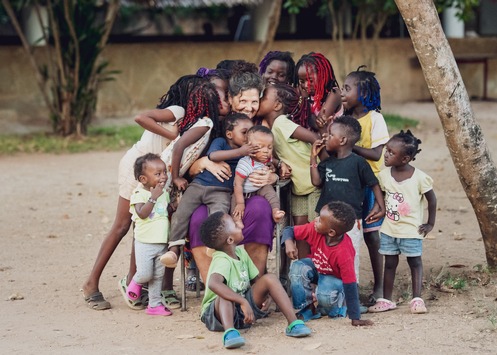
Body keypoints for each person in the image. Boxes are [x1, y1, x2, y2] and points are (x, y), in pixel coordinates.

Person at [81, 74, 204, 310]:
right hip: (137, 168)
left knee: (145, 228)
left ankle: (133, 284)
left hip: (157, 174)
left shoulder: (195, 121)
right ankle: (91, 283)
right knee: (122, 226)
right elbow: (140, 117)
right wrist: (174, 138)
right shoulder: (177, 110)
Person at [187, 64, 276, 284]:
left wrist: (272, 175)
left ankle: (256, 285)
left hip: (247, 195)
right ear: (231, 98)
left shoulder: (263, 127)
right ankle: (216, 289)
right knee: (199, 217)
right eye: (243, 101)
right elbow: (190, 165)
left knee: (261, 209)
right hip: (213, 192)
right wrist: (206, 162)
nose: (249, 107)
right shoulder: (216, 126)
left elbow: (275, 161)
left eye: (254, 101)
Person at [200, 211, 311, 349]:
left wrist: (268, 295)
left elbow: (258, 281)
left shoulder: (241, 253)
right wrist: (242, 301)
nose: (240, 225)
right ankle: (230, 333)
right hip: (218, 314)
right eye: (235, 225)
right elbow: (213, 284)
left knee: (269, 278)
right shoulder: (221, 259)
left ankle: (293, 323)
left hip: (242, 311)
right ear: (229, 240)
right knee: (225, 295)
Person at [160, 113, 256, 268]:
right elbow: (213, 155)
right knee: (181, 213)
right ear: (229, 134)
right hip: (198, 185)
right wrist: (239, 152)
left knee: (219, 217)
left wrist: (274, 164)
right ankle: (174, 250)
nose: (248, 137)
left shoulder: (247, 154)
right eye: (244, 132)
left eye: (251, 133)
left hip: (221, 191)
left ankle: (215, 246)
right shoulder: (221, 142)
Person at [310, 115, 385, 287]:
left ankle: (351, 295)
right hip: (325, 219)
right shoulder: (327, 163)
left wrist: (381, 206)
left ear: (342, 140)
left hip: (351, 222)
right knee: (323, 255)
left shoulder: (359, 163)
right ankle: (327, 294)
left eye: (330, 134)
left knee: (350, 256)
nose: (325, 137)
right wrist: (313, 158)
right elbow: (316, 182)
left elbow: (374, 184)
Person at [368, 130, 436, 314]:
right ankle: (386, 300)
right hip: (389, 230)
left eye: (391, 152)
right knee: (389, 263)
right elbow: (380, 197)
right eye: (387, 150)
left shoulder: (420, 178)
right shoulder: (384, 176)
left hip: (412, 231)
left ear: (405, 158)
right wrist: (377, 210)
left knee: (415, 262)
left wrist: (430, 223)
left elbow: (432, 200)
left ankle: (417, 299)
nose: (386, 154)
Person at [283, 201, 374, 327]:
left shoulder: (344, 252)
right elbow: (289, 231)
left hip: (335, 281)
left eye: (320, 220)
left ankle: (339, 308)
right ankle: (307, 309)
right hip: (320, 270)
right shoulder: (315, 229)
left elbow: (350, 283)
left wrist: (355, 317)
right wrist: (288, 242)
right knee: (298, 267)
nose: (315, 220)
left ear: (331, 232)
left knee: (324, 293)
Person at [258, 83, 323, 259]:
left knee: (316, 232)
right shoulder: (271, 128)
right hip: (299, 188)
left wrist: (325, 166)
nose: (258, 99)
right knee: (301, 233)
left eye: (263, 97)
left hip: (314, 185)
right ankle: (303, 272)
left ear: (277, 105)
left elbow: (315, 138)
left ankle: (317, 275)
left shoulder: (280, 122)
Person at [342, 66, 390, 304]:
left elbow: (376, 153)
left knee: (371, 237)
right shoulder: (344, 117)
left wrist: (350, 146)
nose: (343, 92)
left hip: (370, 186)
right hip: (347, 183)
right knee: (348, 236)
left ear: (363, 93)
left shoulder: (375, 119)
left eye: (347, 88)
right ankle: (349, 286)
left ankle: (379, 287)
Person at [126, 154, 173, 316]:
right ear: (143, 179)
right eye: (158, 174)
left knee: (158, 276)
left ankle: (154, 305)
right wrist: (153, 198)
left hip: (161, 242)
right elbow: (142, 214)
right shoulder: (139, 193)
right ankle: (135, 282)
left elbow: (165, 213)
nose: (163, 177)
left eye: (164, 172)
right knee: (146, 273)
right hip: (145, 243)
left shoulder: (163, 193)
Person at [232, 125, 285, 227]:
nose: (266, 151)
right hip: (242, 191)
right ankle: (237, 220)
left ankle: (275, 211)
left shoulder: (266, 159)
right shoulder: (245, 163)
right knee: (235, 201)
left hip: (259, 188)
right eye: (260, 147)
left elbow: (272, 162)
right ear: (249, 146)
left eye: (269, 147)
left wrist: (276, 165)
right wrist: (240, 203)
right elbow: (237, 184)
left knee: (270, 191)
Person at [294, 52, 342, 130]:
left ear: (322, 76)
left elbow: (318, 125)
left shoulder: (334, 94)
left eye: (310, 80)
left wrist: (304, 101)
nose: (306, 85)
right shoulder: (306, 94)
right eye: (302, 82)